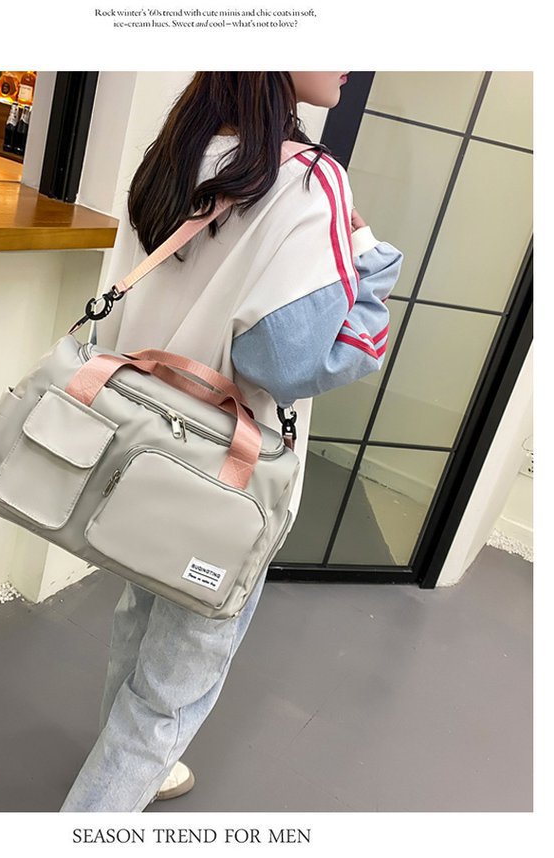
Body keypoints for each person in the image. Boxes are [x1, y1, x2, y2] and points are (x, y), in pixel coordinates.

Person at [59, 71, 403, 812]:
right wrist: (373, 264)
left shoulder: (175, 151)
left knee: (139, 613)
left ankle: (133, 774)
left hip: (142, 443)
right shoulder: (309, 180)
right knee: (173, 690)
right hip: (225, 478)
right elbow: (287, 364)